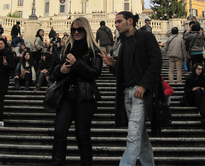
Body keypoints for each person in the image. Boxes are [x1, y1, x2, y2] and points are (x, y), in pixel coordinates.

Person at [100, 11, 161, 166]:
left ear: (130, 21)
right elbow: (124, 69)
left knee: (133, 135)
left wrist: (144, 85)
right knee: (140, 137)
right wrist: (113, 64)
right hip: (127, 92)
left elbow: (156, 63)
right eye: (115, 22)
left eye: (119, 21)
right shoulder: (122, 42)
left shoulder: (146, 37)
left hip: (140, 93)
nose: (116, 25)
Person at [50, 17, 102, 165]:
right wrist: (60, 70)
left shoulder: (94, 50)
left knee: (82, 135)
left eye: (79, 29)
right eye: (74, 30)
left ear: (86, 30)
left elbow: (95, 73)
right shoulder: (67, 48)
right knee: (59, 132)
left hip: (84, 97)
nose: (76, 32)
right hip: (66, 95)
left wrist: (76, 63)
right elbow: (55, 72)